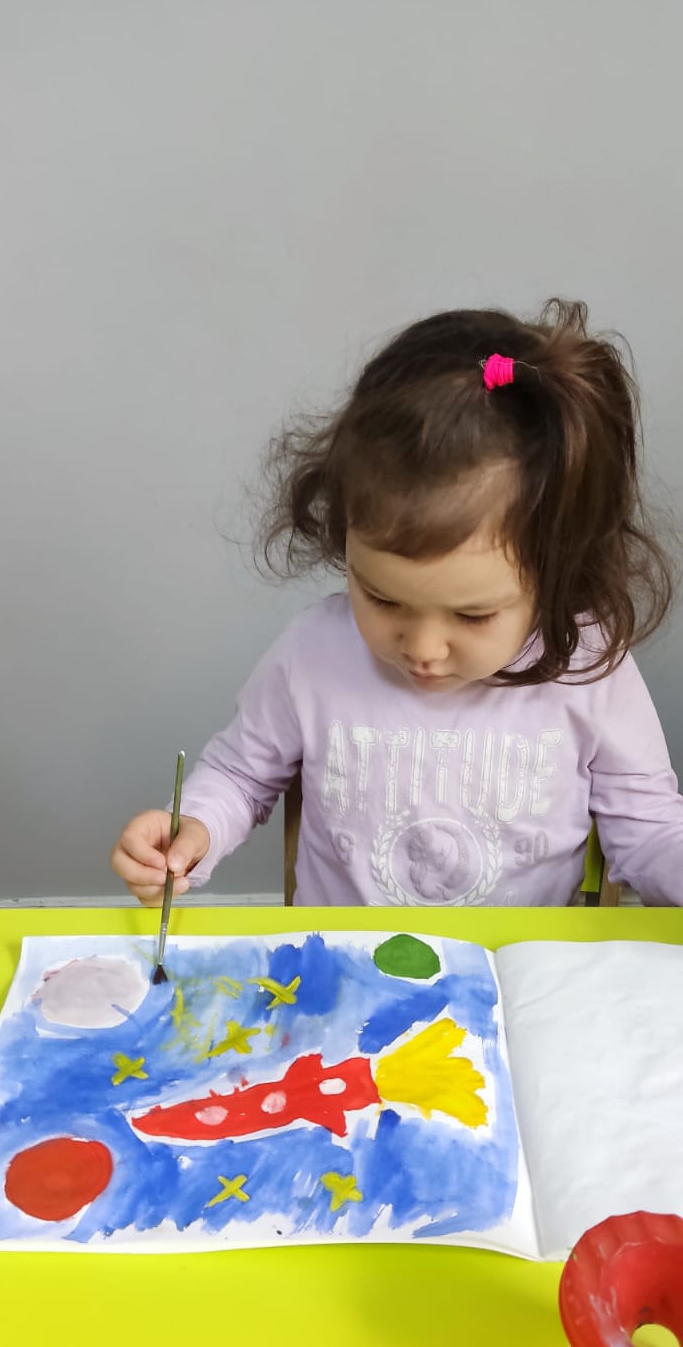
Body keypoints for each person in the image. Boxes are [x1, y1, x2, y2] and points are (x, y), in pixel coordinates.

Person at [111, 300, 683, 908]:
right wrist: (192, 830)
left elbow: (648, 829)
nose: (423, 648)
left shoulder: (589, 666)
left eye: (472, 615)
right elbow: (239, 775)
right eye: (382, 598)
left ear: (557, 573)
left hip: (515, 963)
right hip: (342, 959)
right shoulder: (314, 653)